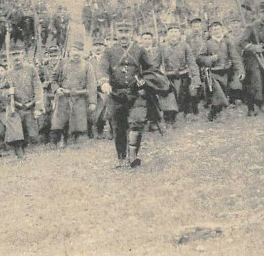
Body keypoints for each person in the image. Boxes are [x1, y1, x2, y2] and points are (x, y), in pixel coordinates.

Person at [97, 20, 154, 168]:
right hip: (116, 94)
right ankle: (121, 158)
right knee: (119, 127)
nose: (124, 35)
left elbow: (150, 69)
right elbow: (102, 68)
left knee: (137, 121)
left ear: (132, 33)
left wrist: (144, 81)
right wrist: (104, 82)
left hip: (136, 93)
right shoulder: (109, 51)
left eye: (127, 32)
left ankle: (133, 156)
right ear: (116, 34)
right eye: (121, 32)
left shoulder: (140, 50)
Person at [50, 41, 97, 147]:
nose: (76, 53)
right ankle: (61, 138)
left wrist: (92, 102)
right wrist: (57, 89)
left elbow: (92, 84)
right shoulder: (62, 63)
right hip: (64, 97)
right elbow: (53, 79)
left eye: (79, 50)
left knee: (79, 123)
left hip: (80, 98)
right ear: (69, 51)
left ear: (82, 52)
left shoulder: (87, 65)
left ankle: (77, 137)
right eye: (74, 50)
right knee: (60, 121)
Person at [196, 20, 244, 121]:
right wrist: (210, 59)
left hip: (227, 71)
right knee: (218, 93)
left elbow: (235, 57)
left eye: (218, 29)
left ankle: (213, 113)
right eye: (214, 30)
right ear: (210, 32)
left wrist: (240, 70)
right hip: (214, 72)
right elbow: (199, 58)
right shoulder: (207, 43)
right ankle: (221, 113)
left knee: (230, 90)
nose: (217, 31)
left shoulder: (227, 41)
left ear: (222, 29)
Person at [154, 24, 199, 128]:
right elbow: (155, 65)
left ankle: (187, 114)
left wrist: (196, 77)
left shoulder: (185, 46)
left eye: (176, 31)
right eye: (171, 32)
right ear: (167, 34)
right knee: (169, 98)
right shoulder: (162, 47)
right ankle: (170, 119)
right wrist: (156, 79)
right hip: (168, 77)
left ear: (179, 34)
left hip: (183, 76)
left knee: (185, 97)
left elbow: (192, 63)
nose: (174, 34)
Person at [239, 1, 264, 116]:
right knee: (255, 83)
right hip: (254, 58)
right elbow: (242, 42)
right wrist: (254, 47)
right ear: (258, 13)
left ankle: (261, 104)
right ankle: (251, 108)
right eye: (263, 12)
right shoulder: (251, 26)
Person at [5, 44, 44, 157]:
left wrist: (38, 105)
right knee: (15, 129)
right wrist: (8, 92)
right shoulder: (8, 73)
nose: (16, 57)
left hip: (30, 106)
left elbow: (38, 87)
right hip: (16, 107)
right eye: (13, 55)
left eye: (18, 54)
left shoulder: (31, 69)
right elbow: (2, 91)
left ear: (23, 55)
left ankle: (27, 147)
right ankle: (18, 150)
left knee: (33, 136)